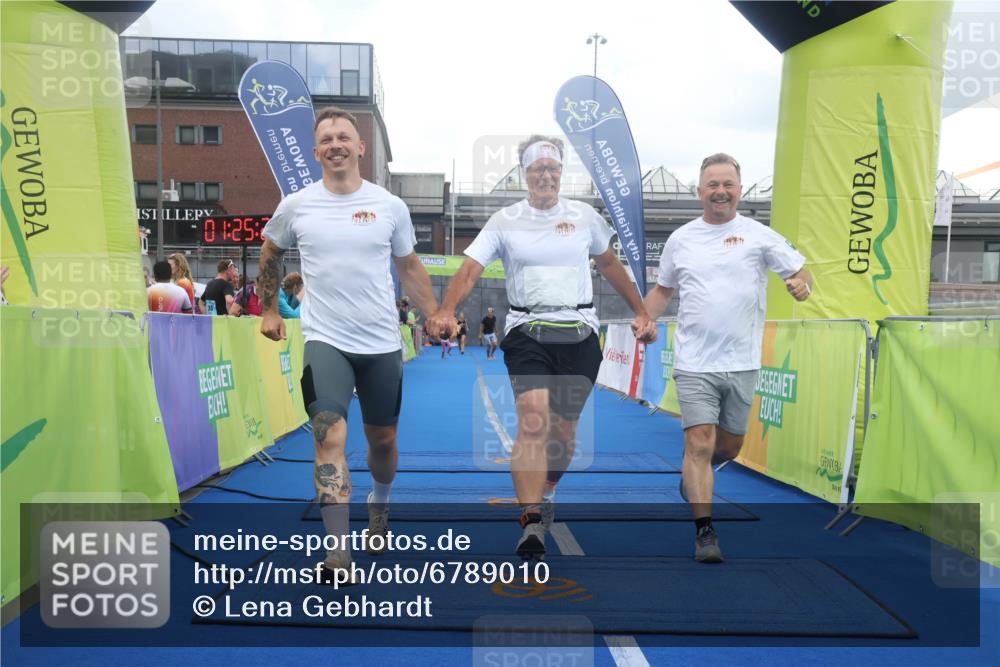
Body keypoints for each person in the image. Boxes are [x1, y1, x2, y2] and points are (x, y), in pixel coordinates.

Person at [427, 135, 656, 561]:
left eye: (552, 168)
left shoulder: (585, 217)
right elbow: (471, 267)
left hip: (579, 331)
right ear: (525, 175)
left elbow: (609, 265)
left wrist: (641, 312)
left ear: (561, 172)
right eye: (537, 169)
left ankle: (547, 489)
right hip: (527, 329)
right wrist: (446, 309)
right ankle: (531, 520)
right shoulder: (505, 220)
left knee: (564, 435)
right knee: (533, 421)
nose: (546, 176)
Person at [258, 106, 440, 578]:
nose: (336, 144)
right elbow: (270, 250)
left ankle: (379, 506)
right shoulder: (297, 205)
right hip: (326, 340)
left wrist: (435, 312)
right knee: (328, 435)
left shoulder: (389, 206)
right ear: (317, 152)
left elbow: (409, 268)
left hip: (380, 343)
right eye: (327, 139)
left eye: (344, 136)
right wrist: (270, 308)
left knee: (383, 440)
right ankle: (337, 550)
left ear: (361, 147)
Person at [643, 153, 812, 563]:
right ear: (700, 192)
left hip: (742, 360)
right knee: (698, 442)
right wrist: (645, 319)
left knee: (729, 447)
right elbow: (663, 290)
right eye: (712, 185)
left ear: (740, 189)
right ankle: (705, 532)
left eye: (728, 184)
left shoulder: (760, 235)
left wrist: (800, 285)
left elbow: (801, 271)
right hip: (694, 361)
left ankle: (695, 477)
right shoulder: (681, 239)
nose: (720, 191)